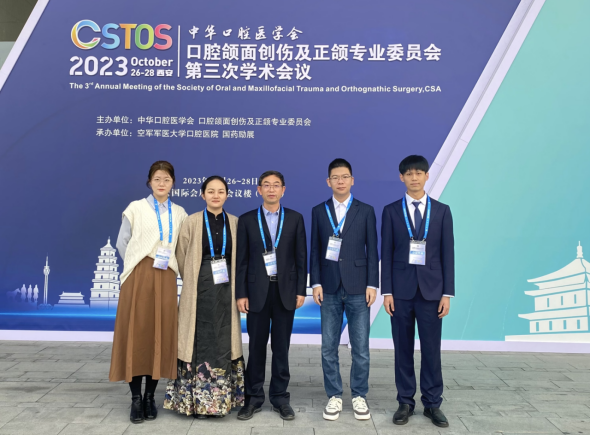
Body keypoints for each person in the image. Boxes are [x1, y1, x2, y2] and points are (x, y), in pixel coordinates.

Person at [110, 161, 188, 424]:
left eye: (166, 179)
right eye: (157, 179)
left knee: (159, 334)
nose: (161, 183)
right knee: (136, 333)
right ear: (149, 182)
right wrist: (137, 264)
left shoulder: (180, 213)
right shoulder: (135, 208)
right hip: (138, 275)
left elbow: (181, 247)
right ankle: (135, 398)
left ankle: (150, 397)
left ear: (173, 183)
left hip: (165, 276)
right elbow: (122, 242)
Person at [380, 155, 454, 428]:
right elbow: (386, 253)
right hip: (400, 292)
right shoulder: (391, 211)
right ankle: (405, 402)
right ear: (402, 177)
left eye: (419, 173)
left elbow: (448, 254)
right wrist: (387, 292)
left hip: (432, 292)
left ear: (426, 176)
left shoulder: (442, 211)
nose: (414, 178)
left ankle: (432, 403)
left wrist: (447, 293)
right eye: (409, 174)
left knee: (432, 350)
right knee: (403, 349)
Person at [164, 176, 244, 418]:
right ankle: (194, 402)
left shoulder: (235, 222)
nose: (216, 195)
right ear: (203, 195)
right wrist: (194, 279)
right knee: (196, 339)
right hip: (198, 289)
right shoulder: (191, 221)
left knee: (224, 338)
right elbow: (181, 255)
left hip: (227, 288)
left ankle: (222, 401)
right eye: (211, 191)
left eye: (220, 191)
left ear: (227, 195)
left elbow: (241, 258)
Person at [310, 158, 379, 421]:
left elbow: (372, 250)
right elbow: (315, 250)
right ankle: (334, 395)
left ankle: (359, 395)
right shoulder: (319, 211)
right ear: (328, 181)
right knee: (328, 347)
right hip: (328, 287)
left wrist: (372, 284)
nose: (340, 181)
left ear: (352, 180)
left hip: (358, 287)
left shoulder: (366, 210)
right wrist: (315, 283)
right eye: (335, 177)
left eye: (345, 177)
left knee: (360, 348)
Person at [235, 170, 307, 421]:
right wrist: (241, 293)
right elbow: (241, 260)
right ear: (259, 190)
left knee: (281, 348)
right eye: (266, 185)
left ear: (283, 190)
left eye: (276, 185)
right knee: (256, 347)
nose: (271, 189)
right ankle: (253, 398)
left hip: (285, 291)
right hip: (256, 292)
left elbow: (301, 257)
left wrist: (301, 290)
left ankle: (280, 398)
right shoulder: (247, 220)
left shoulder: (295, 218)